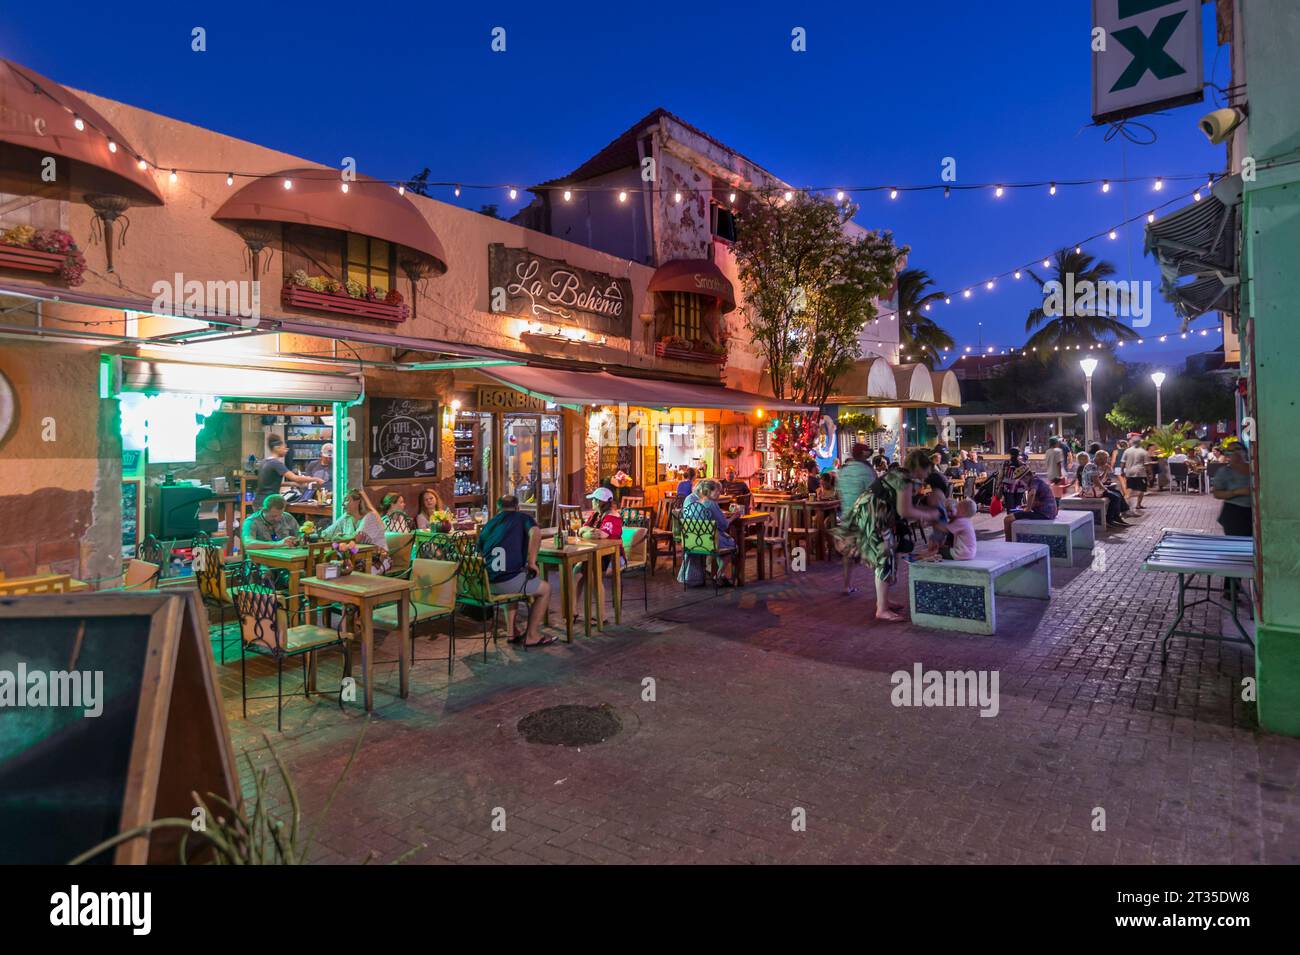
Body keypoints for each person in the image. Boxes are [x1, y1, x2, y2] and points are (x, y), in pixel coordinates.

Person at [838, 449, 944, 620]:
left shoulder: (900, 475)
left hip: (873, 512)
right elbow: (905, 511)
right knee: (885, 555)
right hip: (874, 514)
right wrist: (931, 514)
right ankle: (881, 609)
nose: (927, 475)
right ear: (919, 468)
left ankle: (884, 601)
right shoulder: (905, 480)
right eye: (927, 470)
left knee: (890, 554)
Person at [477, 495, 552, 647]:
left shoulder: (490, 524)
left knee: (516, 580)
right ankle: (532, 636)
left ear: (498, 508)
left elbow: (479, 552)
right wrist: (532, 562)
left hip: (487, 584)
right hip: (506, 581)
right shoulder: (522, 518)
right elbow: (536, 533)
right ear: (517, 506)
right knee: (545, 589)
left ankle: (511, 632)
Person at [571, 487, 625, 620]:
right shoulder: (596, 515)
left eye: (594, 500)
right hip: (597, 554)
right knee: (577, 571)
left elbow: (601, 535)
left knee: (593, 574)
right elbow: (582, 529)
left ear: (601, 502)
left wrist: (588, 531)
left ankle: (601, 616)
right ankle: (573, 611)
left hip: (613, 557)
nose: (592, 503)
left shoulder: (613, 516)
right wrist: (587, 530)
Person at [677, 479, 736, 587]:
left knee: (721, 542)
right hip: (709, 541)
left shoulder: (691, 500)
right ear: (709, 491)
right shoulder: (711, 503)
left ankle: (713, 571)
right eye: (718, 491)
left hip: (692, 540)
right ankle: (718, 575)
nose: (720, 494)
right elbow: (723, 525)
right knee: (732, 545)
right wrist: (733, 517)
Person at [254, 435, 320, 509]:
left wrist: (292, 484)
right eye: (284, 448)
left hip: (258, 501)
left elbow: (269, 483)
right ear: (277, 448)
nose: (286, 450)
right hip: (268, 503)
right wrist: (316, 479)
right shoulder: (276, 463)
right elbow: (296, 478)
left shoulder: (264, 462)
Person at [1003, 465, 1059, 541]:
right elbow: (1039, 501)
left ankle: (1008, 544)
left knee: (1008, 519)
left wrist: (1028, 508)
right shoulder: (1036, 480)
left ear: (1026, 476)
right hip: (1049, 513)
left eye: (1021, 480)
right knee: (1013, 516)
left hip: (1045, 514)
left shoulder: (1034, 481)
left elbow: (1032, 493)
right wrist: (1027, 506)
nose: (1021, 482)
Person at [1211, 445, 1253, 537]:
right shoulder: (1224, 472)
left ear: (1244, 452)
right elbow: (1216, 493)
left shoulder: (1255, 470)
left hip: (1255, 512)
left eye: (1237, 449)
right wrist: (1237, 492)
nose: (1235, 453)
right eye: (1231, 451)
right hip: (1234, 513)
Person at [1121, 439, 1150, 510]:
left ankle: (1127, 504)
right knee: (1141, 489)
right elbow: (1147, 464)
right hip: (1140, 473)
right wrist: (1150, 473)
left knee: (1130, 488)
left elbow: (1123, 462)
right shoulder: (1143, 452)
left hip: (1129, 472)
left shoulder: (1127, 451)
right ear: (1140, 443)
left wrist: (1122, 471)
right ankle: (1138, 504)